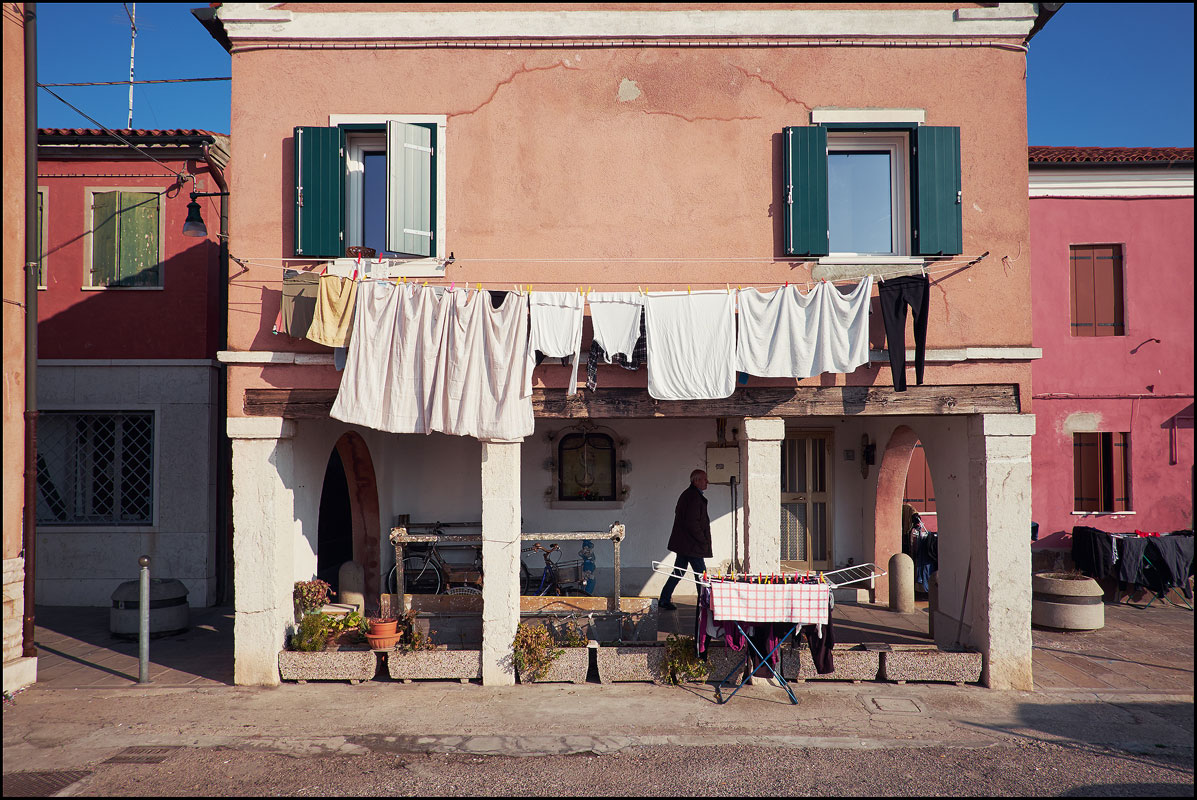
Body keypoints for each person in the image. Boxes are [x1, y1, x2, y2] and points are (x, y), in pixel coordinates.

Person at [658, 468, 712, 611]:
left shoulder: (689, 495)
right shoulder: (693, 497)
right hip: (692, 544)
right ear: (696, 481)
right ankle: (704, 603)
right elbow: (692, 523)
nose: (707, 482)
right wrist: (702, 540)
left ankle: (664, 599)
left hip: (685, 544)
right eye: (704, 479)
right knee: (701, 575)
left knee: (679, 571)